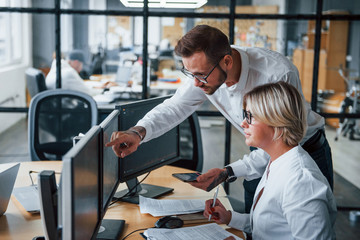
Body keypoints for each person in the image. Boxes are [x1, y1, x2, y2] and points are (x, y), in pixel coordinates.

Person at [106, 25, 333, 213]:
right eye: (190, 74)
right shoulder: (205, 72)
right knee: (258, 221)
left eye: (200, 75)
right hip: (261, 151)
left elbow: (284, 141)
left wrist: (227, 171)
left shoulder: (275, 74)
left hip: (303, 150)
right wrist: (137, 132)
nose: (196, 83)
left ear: (227, 61)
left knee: (303, 216)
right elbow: (175, 107)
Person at [203, 81, 337, 239]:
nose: (243, 123)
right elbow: (270, 226)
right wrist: (230, 218)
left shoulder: (301, 181)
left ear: (277, 121)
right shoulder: (277, 162)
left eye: (250, 116)